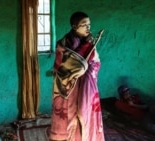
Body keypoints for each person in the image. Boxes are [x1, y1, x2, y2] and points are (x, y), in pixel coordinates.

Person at [47, 11, 105, 141]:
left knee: (84, 111)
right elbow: (70, 65)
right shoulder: (64, 44)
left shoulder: (88, 41)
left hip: (85, 86)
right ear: (74, 26)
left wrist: (89, 50)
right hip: (68, 89)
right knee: (69, 113)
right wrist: (86, 46)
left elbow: (95, 62)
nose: (88, 28)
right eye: (84, 25)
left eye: (89, 25)